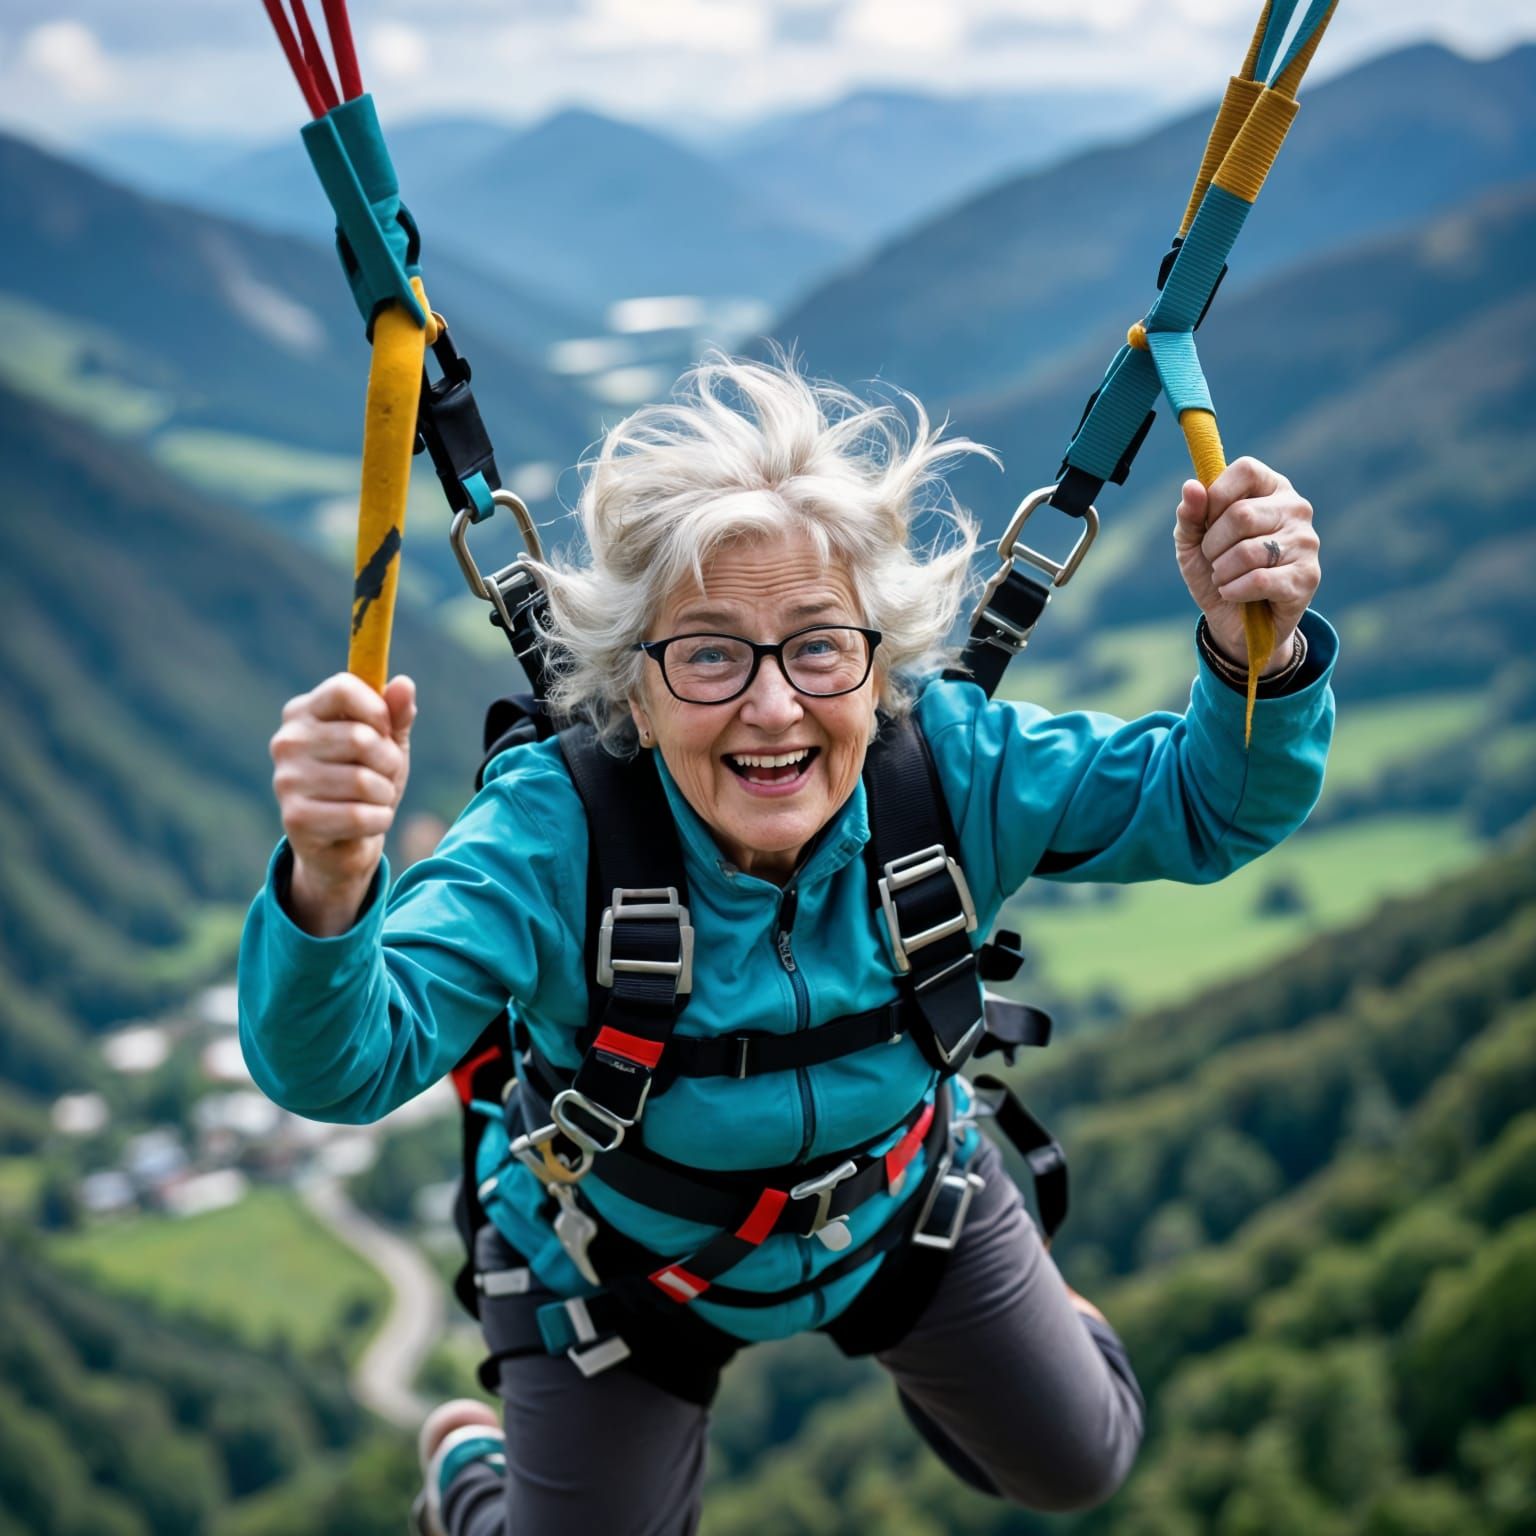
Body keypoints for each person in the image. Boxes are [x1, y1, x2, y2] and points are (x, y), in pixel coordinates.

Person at [239, 354, 1334, 1535]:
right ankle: (468, 1473)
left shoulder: (951, 769)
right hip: (613, 1267)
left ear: (880, 668)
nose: (773, 708)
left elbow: (1211, 806)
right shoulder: (555, 836)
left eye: (818, 647)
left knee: (1083, 1461)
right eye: (708, 653)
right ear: (634, 694)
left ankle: (1024, 1348)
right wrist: (331, 884)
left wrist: (1256, 657)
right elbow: (340, 1066)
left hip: (905, 1208)